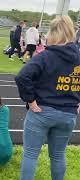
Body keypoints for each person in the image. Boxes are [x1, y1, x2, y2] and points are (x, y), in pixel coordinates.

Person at [15, 16, 80, 180]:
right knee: (58, 155)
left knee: (30, 155)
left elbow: (22, 76)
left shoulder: (45, 56)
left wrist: (30, 100)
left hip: (42, 112)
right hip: (68, 114)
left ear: (52, 33)